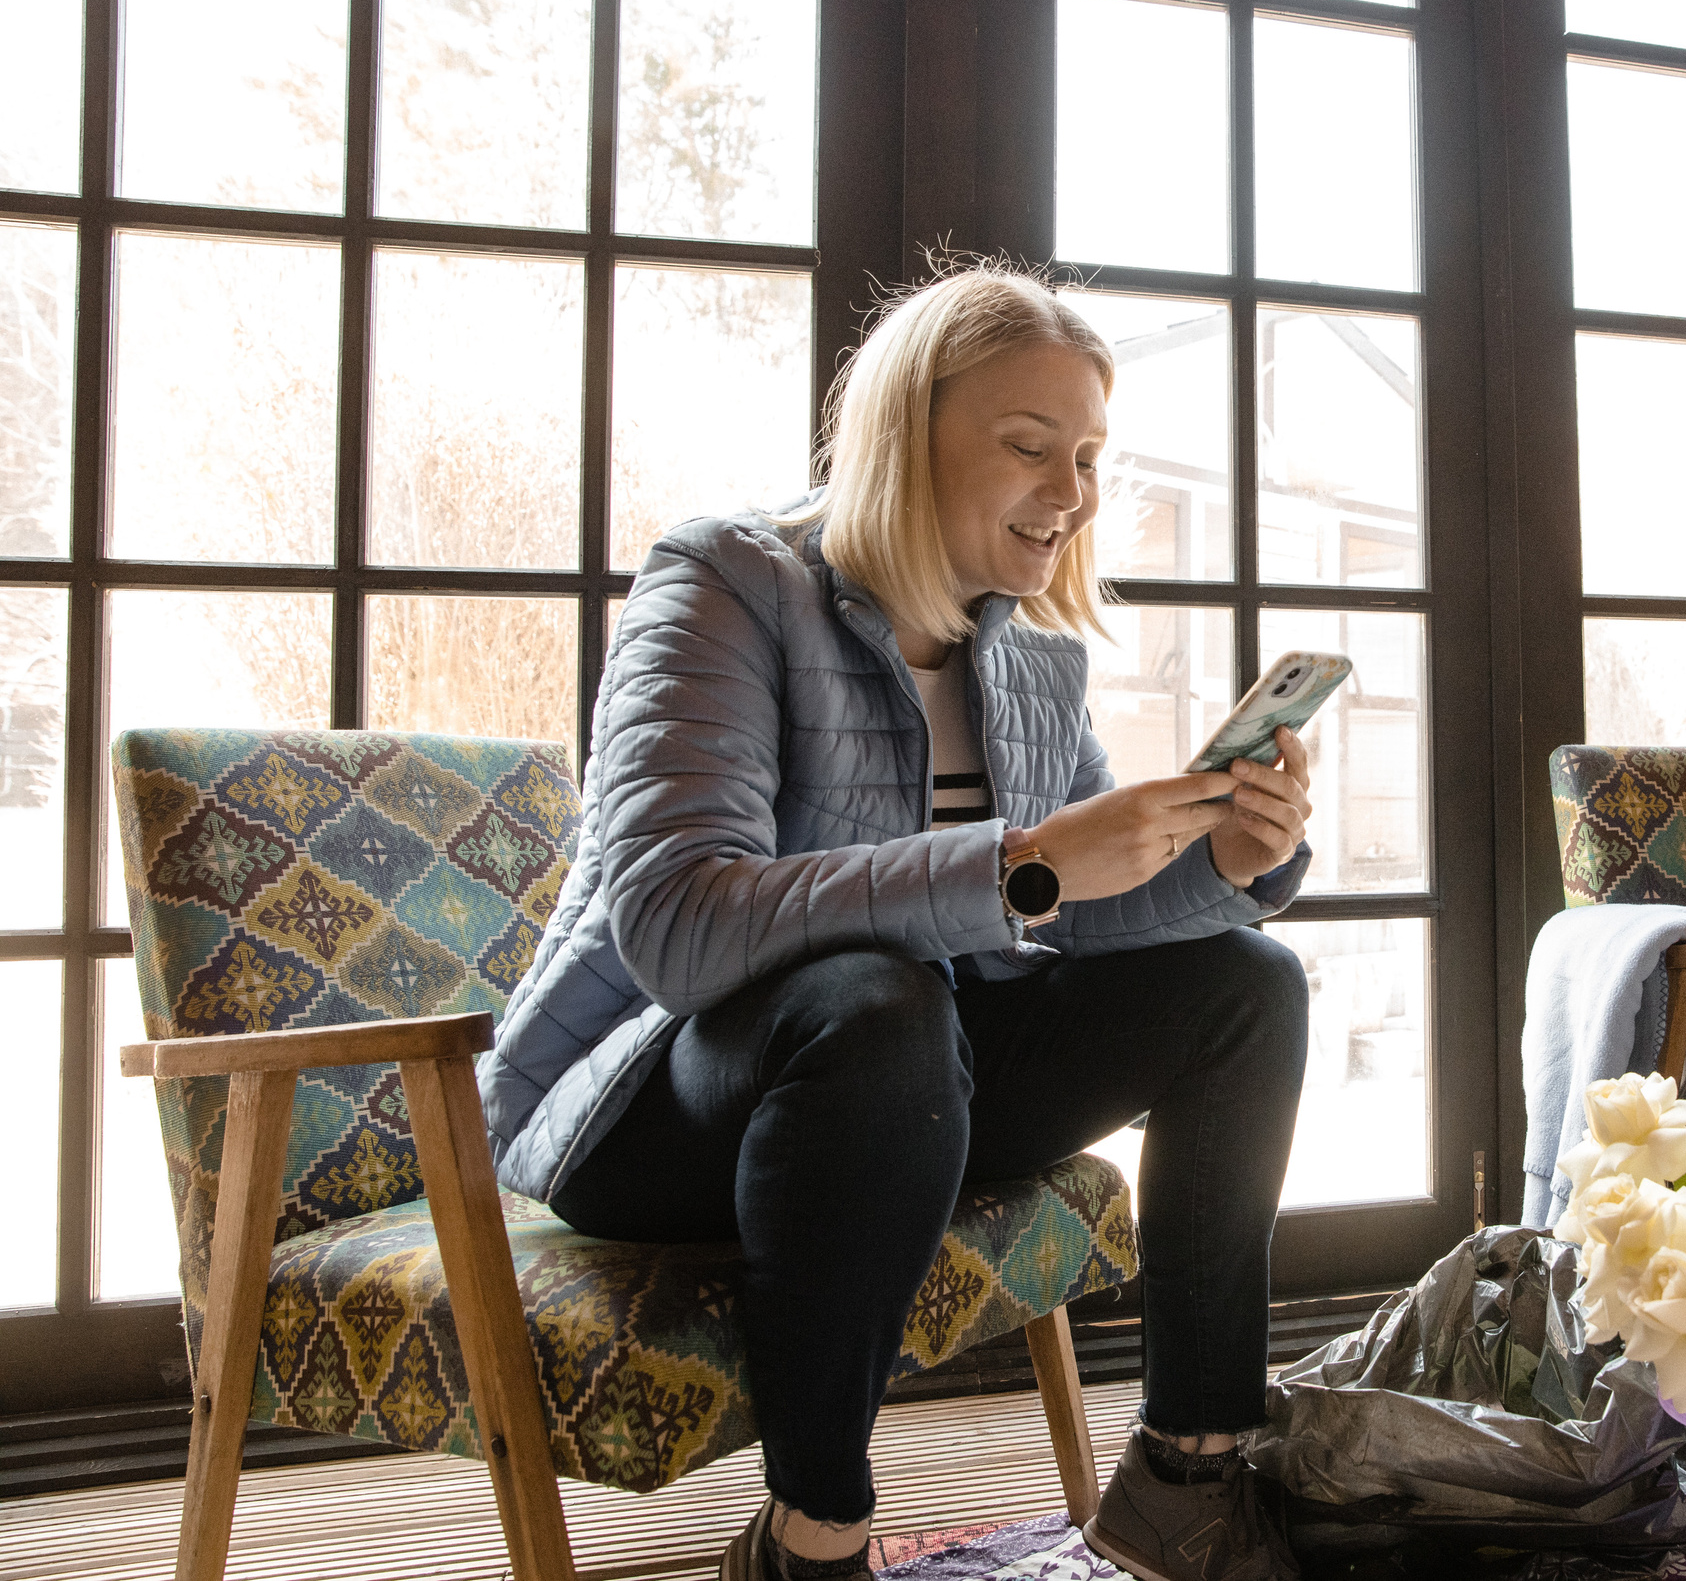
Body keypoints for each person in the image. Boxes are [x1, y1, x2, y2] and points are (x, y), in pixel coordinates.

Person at [476, 266, 1317, 1581]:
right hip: (654, 1102)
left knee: (1249, 984)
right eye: (1031, 445)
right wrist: (1023, 861)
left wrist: (1231, 856)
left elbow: (1071, 915)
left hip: (914, 1086)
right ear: (902, 434)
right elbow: (678, 923)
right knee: (880, 999)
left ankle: (1190, 1474)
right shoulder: (724, 581)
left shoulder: (1027, 654)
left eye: (1089, 456)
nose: (1073, 491)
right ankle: (813, 1537)